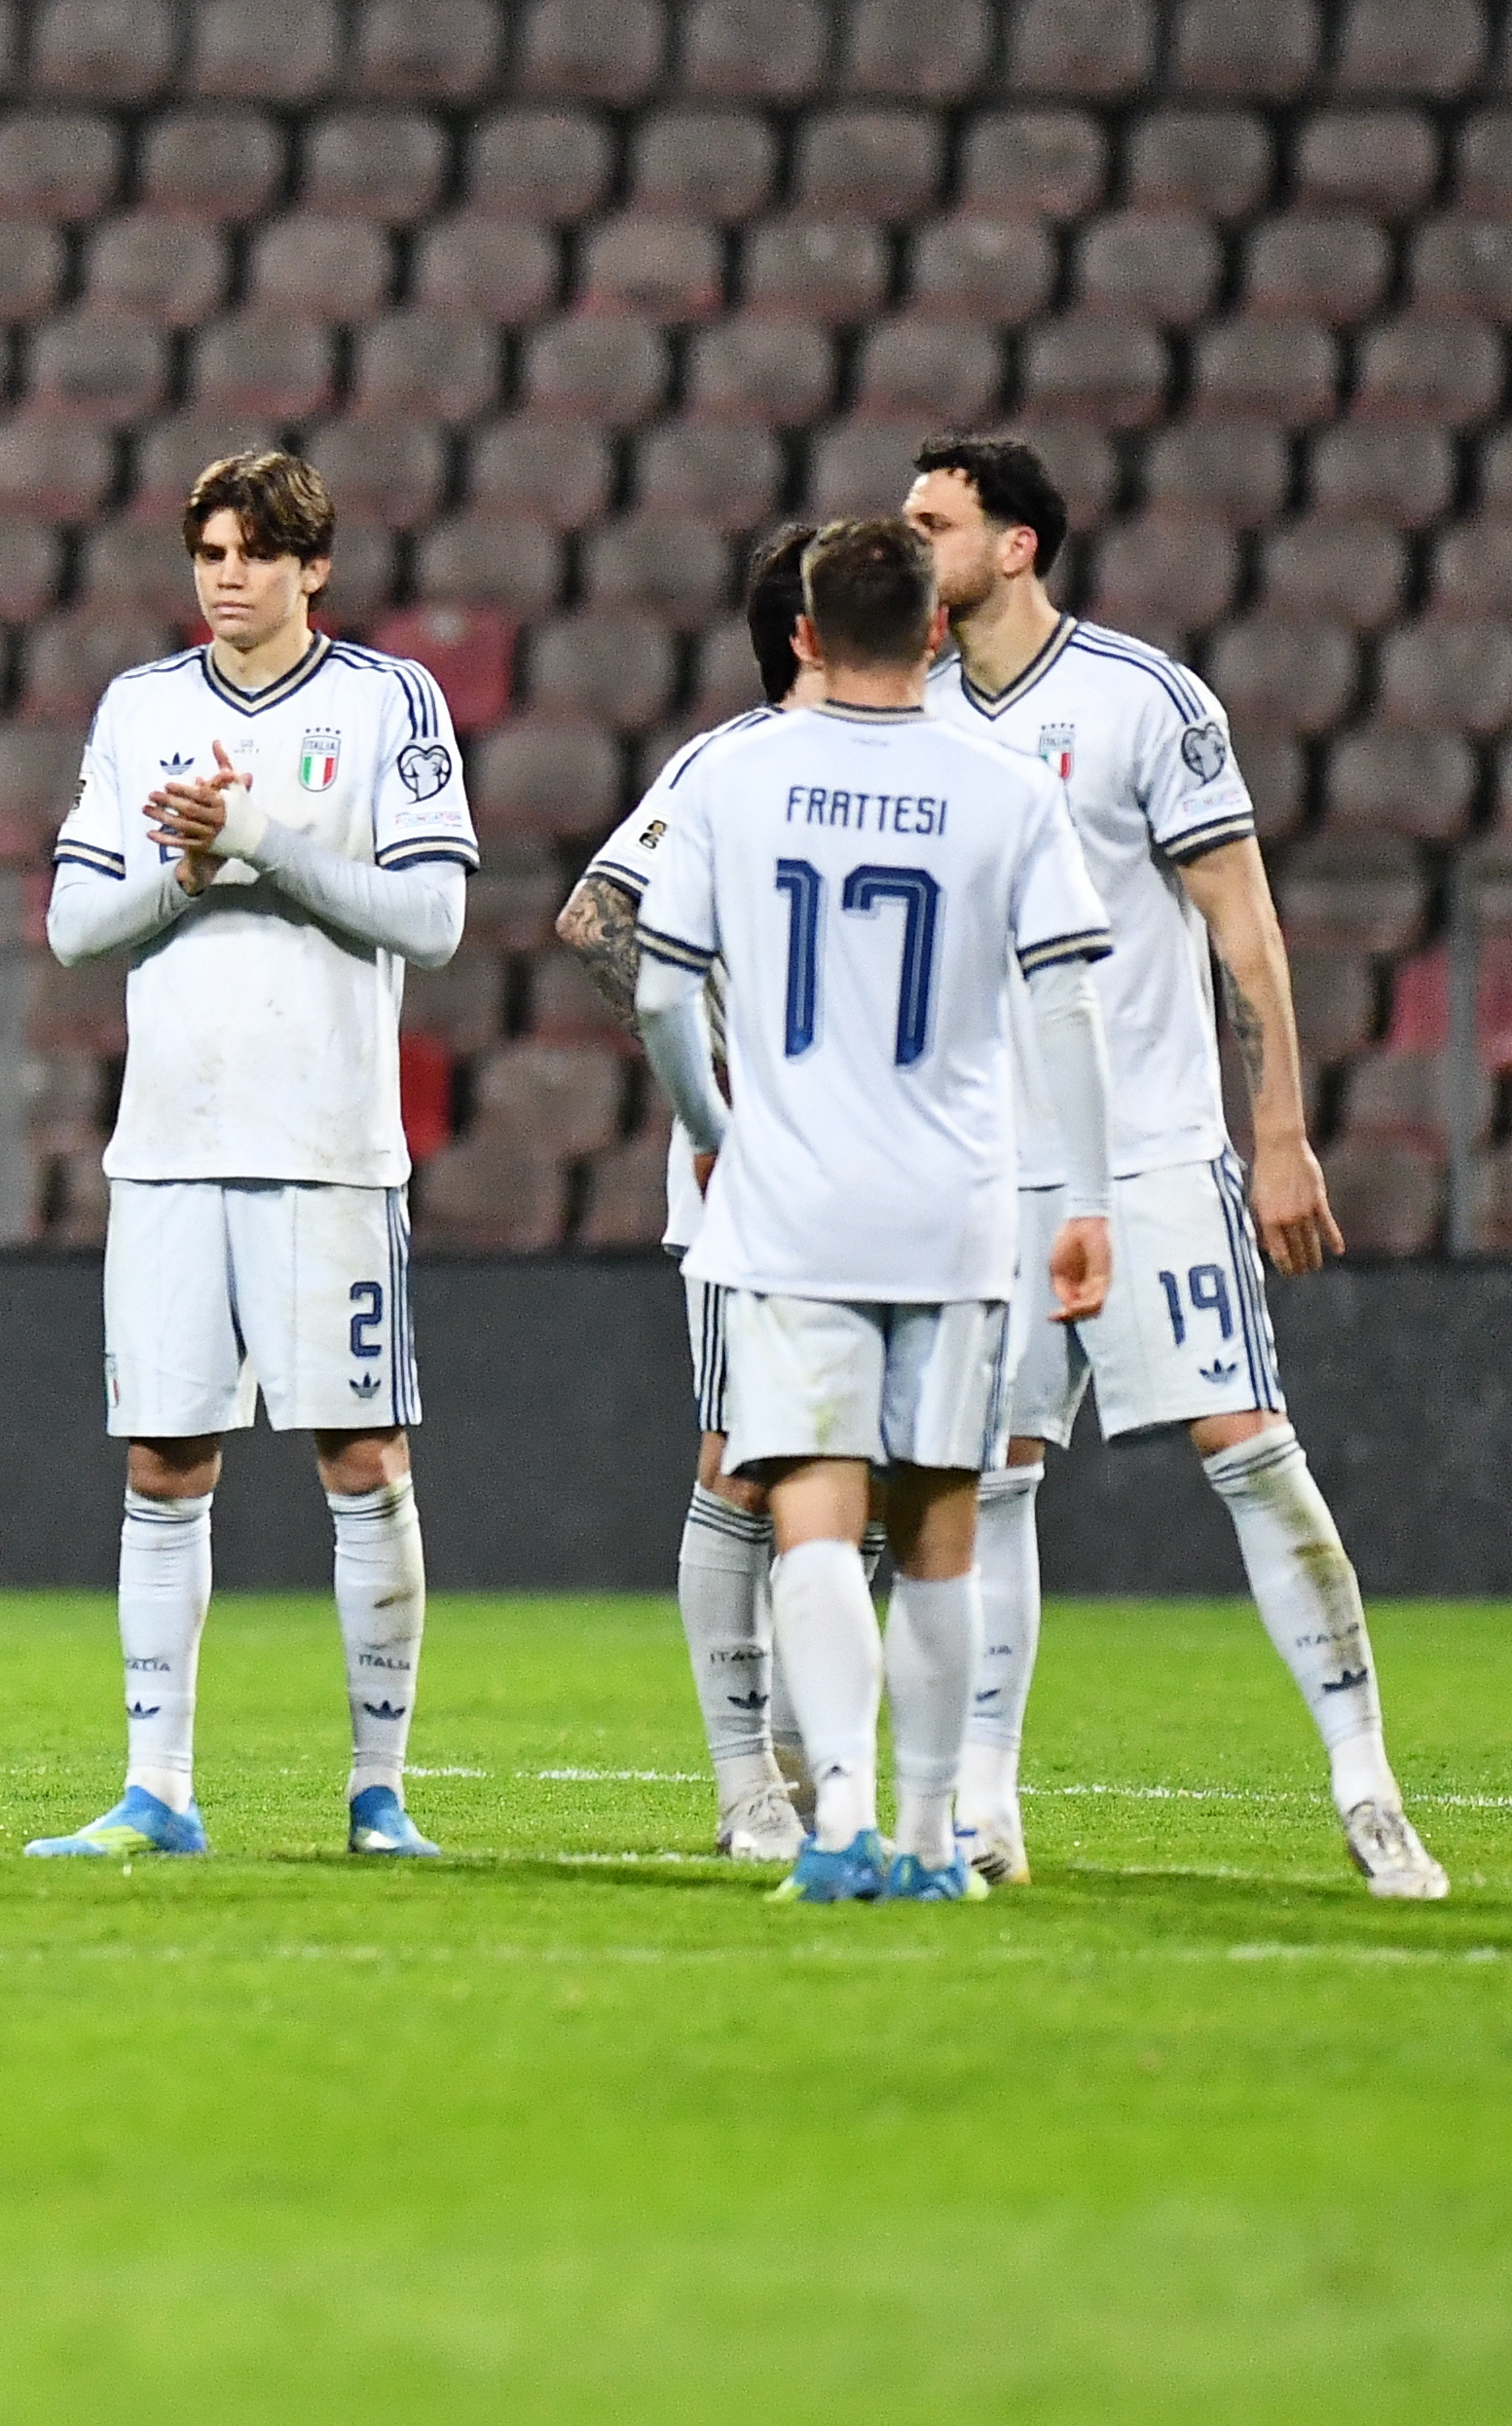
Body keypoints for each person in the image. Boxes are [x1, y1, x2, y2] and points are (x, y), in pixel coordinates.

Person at [906, 433, 1444, 1898]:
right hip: (980, 1169)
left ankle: (1364, 1782)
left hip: (1146, 1149)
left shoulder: (1141, 702)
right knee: (984, 1481)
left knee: (1249, 1453)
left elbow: (1242, 929)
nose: (910, 542)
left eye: (933, 520)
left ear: (1015, 544)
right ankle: (984, 1807)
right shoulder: (910, 715)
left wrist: (1276, 1134)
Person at [630, 517, 1121, 1905]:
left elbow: (663, 991)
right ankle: (927, 1837)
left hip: (794, 1211)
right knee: (938, 1527)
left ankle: (833, 1818)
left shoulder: (734, 778)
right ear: (929, 632)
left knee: (811, 1518)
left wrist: (718, 1134)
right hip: (956, 1209)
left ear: (797, 635)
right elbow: (1067, 996)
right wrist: (1082, 1198)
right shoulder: (1005, 784)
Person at [27, 449, 481, 1863]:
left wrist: (263, 841)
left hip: (327, 1149)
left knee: (359, 1454)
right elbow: (67, 929)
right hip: (167, 1146)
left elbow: (430, 923)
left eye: (251, 553)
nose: (225, 577)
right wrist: (184, 873)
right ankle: (155, 1788)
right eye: (207, 553)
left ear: (311, 567)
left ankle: (376, 1791)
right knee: (164, 1458)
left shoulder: (385, 703)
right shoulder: (139, 709)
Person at [559, 526, 827, 1861]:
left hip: (900, 1178)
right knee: (739, 1465)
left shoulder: (943, 767)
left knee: (879, 1476)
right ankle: (745, 1785)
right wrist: (715, 1099)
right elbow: (598, 917)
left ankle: (801, 1752)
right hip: (753, 1189)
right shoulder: (722, 766)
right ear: (804, 631)